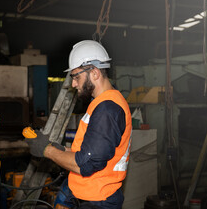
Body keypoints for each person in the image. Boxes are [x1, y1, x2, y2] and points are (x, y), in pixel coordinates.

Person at [25, 40, 132, 209]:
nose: (74, 84)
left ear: (95, 73)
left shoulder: (107, 109)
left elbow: (87, 164)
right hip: (85, 194)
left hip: (97, 201)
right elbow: (85, 152)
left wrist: (47, 150)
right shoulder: (100, 103)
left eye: (76, 77)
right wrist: (52, 146)